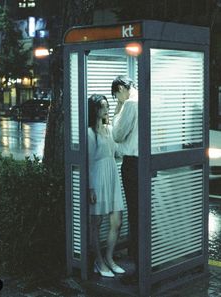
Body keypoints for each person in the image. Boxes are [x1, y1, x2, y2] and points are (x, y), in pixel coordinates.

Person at [88, 94, 125, 278]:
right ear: (94, 109)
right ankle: (99, 261)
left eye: (106, 106)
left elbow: (118, 150)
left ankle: (109, 258)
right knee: (96, 222)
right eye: (103, 107)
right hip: (98, 177)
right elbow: (87, 162)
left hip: (112, 174)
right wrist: (90, 188)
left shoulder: (109, 129)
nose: (106, 110)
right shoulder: (89, 133)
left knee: (117, 221)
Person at [111, 76, 139, 284]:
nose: (117, 100)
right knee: (144, 212)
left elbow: (118, 134)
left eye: (116, 96)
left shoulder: (129, 104)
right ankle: (145, 258)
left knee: (135, 213)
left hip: (132, 163)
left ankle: (137, 263)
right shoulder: (148, 98)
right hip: (147, 163)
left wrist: (117, 109)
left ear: (121, 89)